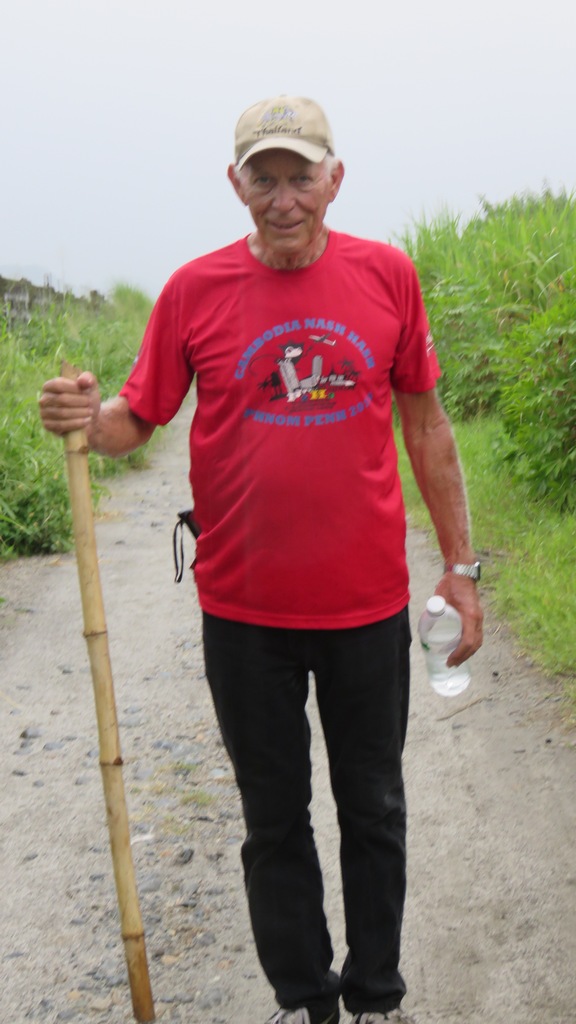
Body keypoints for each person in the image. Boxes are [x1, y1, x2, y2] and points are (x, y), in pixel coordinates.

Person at [39, 95, 483, 1024]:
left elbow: (427, 424)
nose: (284, 199)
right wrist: (88, 418)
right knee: (272, 819)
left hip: (366, 608)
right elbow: (136, 419)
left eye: (300, 177)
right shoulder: (194, 291)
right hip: (243, 615)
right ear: (235, 183)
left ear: (335, 179)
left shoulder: (388, 277)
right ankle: (302, 998)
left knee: (373, 808)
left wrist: (459, 567)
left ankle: (375, 997)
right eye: (264, 178)